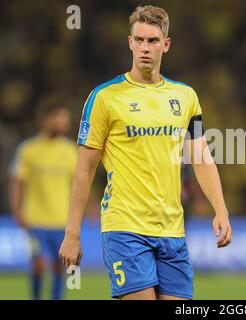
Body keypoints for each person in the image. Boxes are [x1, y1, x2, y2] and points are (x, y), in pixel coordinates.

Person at [59, 5, 232, 300]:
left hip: (172, 231)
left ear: (166, 45)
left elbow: (201, 158)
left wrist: (221, 209)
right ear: (129, 43)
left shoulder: (185, 97)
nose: (144, 48)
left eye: (152, 41)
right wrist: (72, 232)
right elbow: (85, 170)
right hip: (124, 228)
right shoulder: (104, 97)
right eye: (138, 40)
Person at [9, 96, 77, 300]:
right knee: (38, 264)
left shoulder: (71, 150)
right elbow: (17, 181)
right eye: (59, 118)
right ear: (46, 119)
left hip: (62, 221)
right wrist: (17, 211)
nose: (64, 123)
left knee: (60, 266)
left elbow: (78, 185)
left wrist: (86, 210)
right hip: (35, 220)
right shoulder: (28, 149)